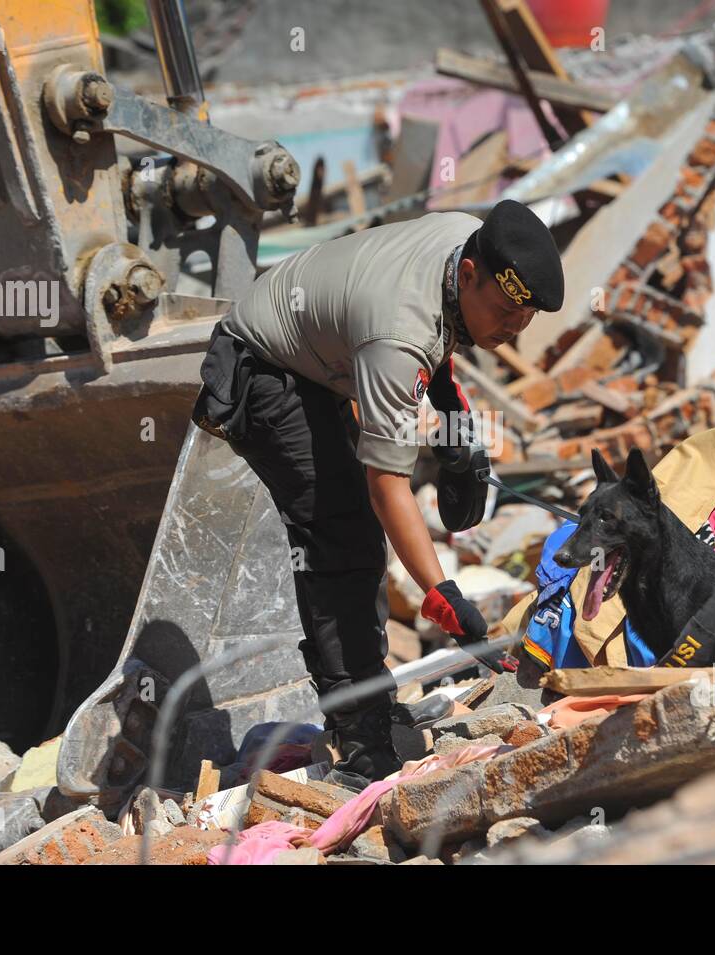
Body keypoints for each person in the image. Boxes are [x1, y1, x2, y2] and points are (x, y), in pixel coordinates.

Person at [191, 200, 564, 787]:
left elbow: (443, 322)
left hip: (320, 344)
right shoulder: (397, 335)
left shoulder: (471, 239)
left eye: (525, 318)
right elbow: (386, 483)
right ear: (468, 274)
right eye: (504, 312)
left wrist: (455, 424)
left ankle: (371, 698)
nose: (512, 330)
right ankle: (360, 738)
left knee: (356, 533)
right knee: (341, 538)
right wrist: (443, 595)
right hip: (262, 366)